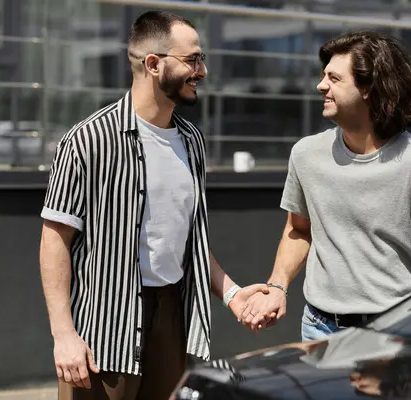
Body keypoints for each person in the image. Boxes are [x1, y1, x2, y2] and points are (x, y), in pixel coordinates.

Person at [39, 10, 269, 400]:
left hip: (172, 317)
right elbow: (54, 240)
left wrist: (232, 293)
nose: (203, 70)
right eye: (193, 59)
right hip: (104, 327)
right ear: (153, 64)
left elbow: (189, 239)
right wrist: (63, 334)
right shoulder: (88, 141)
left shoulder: (191, 141)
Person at [239, 31, 411, 340]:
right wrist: (277, 286)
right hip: (317, 329)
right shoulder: (306, 155)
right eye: (323, 75)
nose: (321, 85)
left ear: (369, 88)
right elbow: (299, 229)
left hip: (392, 331)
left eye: (334, 78)